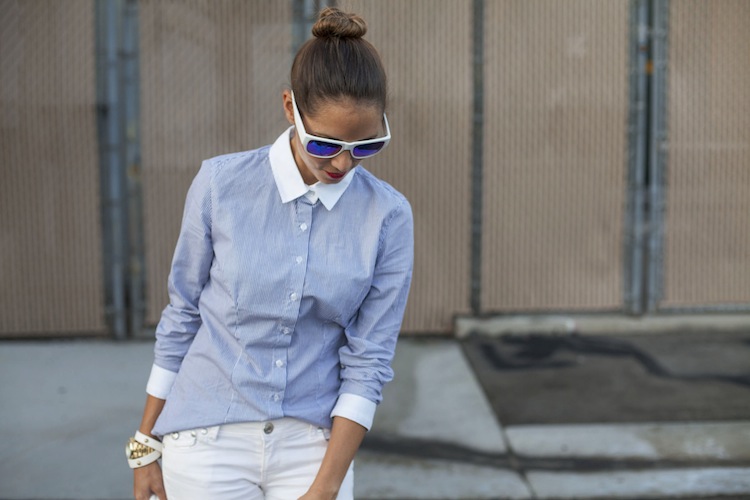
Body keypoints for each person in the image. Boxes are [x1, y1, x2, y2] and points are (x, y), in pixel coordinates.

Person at [127, 7, 414, 500]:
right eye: (324, 144)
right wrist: (144, 444)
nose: (343, 162)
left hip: (314, 443)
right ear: (289, 108)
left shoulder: (387, 216)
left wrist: (326, 487)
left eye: (366, 146)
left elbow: (369, 360)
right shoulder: (220, 185)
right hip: (206, 437)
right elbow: (183, 315)